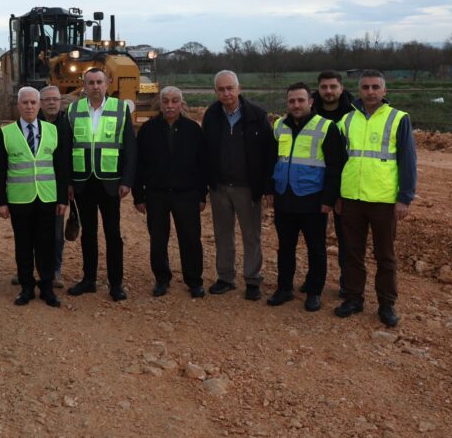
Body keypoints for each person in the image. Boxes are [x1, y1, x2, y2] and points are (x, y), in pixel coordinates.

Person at [334, 70, 417, 328]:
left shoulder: (398, 119)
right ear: (358, 91)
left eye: (375, 87)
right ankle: (354, 298)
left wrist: (404, 198)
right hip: (351, 199)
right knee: (353, 253)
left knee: (385, 255)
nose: (370, 92)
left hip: (383, 200)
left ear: (384, 91)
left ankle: (386, 304)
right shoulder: (346, 121)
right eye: (366, 87)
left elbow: (408, 161)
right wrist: (336, 195)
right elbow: (337, 162)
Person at [266, 82, 345, 312]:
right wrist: (269, 189)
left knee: (316, 249)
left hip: (313, 200)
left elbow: (335, 166)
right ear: (287, 103)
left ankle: (313, 291)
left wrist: (329, 199)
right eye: (292, 101)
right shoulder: (279, 126)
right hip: (284, 197)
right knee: (285, 247)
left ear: (310, 102)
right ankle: (284, 289)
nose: (296, 105)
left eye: (301, 100)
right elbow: (272, 161)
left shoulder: (326, 127)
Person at [202, 70, 276, 301]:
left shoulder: (257, 115)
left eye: (230, 88)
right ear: (216, 92)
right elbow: (205, 150)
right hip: (220, 186)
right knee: (223, 234)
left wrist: (266, 187)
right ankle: (226, 277)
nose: (226, 93)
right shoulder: (211, 115)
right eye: (221, 89)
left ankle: (253, 280)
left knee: (251, 235)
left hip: (247, 187)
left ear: (239, 88)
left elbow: (268, 154)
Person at [0, 87, 70, 307]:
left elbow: (61, 168)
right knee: (23, 245)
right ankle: (27, 287)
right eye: (25, 103)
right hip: (20, 200)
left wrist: (62, 199)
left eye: (33, 103)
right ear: (18, 105)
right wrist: (1, 201)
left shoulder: (52, 131)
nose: (29, 107)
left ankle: (46, 288)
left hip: (47, 199)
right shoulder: (6, 133)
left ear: (39, 105)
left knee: (46, 244)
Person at [66, 68, 136, 302]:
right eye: (91, 83)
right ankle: (89, 280)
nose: (95, 86)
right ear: (83, 86)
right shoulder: (73, 110)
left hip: (110, 182)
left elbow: (129, 147)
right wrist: (69, 182)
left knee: (113, 234)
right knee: (89, 234)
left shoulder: (121, 108)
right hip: (83, 182)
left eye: (99, 82)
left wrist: (126, 180)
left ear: (108, 84)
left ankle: (116, 284)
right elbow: (66, 149)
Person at [133, 86, 207, 298]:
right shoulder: (148, 130)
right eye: (166, 101)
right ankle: (161, 278)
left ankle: (194, 280)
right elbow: (140, 165)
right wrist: (139, 195)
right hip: (156, 194)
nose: (170, 105)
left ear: (181, 104)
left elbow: (202, 166)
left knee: (191, 239)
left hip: (187, 194)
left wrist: (202, 195)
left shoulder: (193, 130)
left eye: (175, 101)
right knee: (158, 239)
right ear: (160, 104)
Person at [311, 70, 356, 298]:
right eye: (324, 87)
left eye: (333, 87)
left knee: (346, 239)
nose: (328, 91)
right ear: (318, 89)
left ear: (341, 88)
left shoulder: (353, 113)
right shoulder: (308, 110)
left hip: (345, 185)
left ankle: (348, 284)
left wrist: (338, 191)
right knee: (315, 238)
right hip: (313, 185)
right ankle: (314, 281)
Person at [38, 85, 72, 288]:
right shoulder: (31, 124)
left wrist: (68, 185)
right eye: (47, 99)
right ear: (41, 103)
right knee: (33, 231)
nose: (51, 103)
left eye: (55, 99)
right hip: (33, 188)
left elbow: (68, 159)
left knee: (57, 233)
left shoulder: (67, 125)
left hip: (57, 188)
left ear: (61, 102)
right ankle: (30, 269)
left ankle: (56, 270)